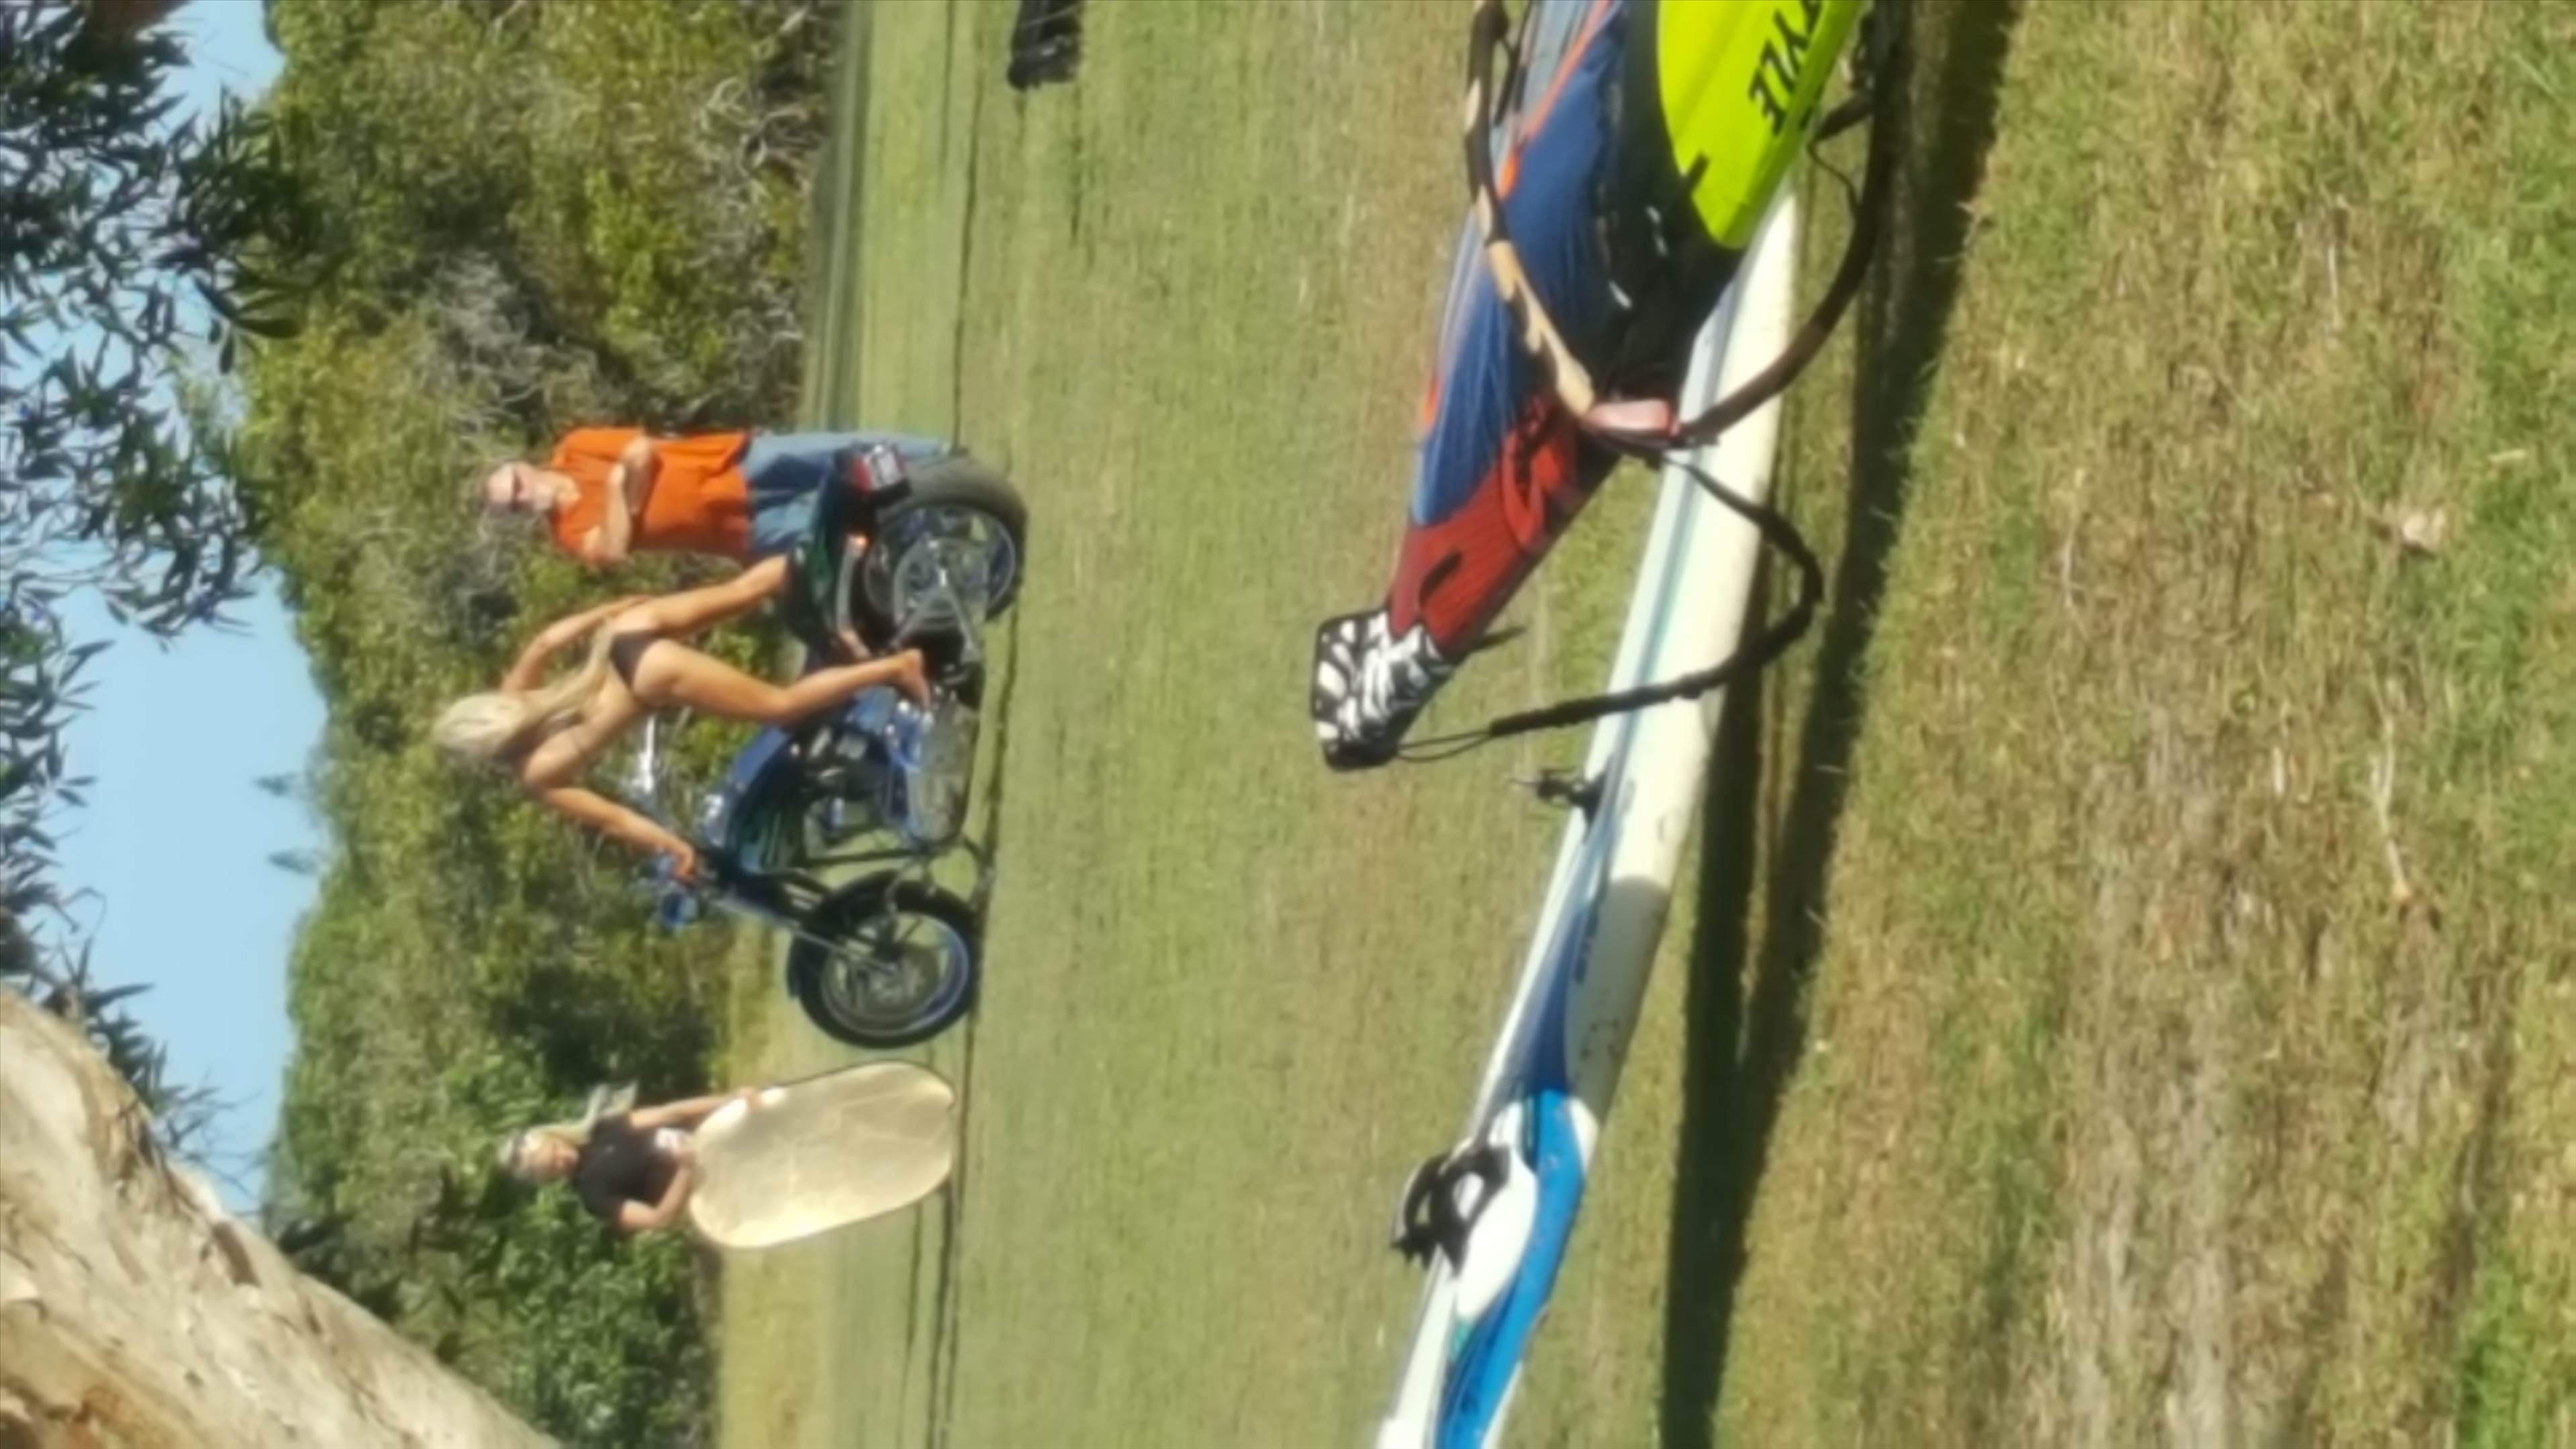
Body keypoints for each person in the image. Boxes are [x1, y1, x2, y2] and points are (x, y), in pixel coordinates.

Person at [429, 555, 927, 874]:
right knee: (748, 589)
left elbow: (615, 819)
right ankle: (855, 553)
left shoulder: (537, 776)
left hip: (648, 677)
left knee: (782, 706)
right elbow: (545, 641)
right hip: (625, 632)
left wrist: (673, 847)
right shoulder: (514, 695)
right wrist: (610, 610)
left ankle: (898, 667)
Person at [479, 426, 957, 569]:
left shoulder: (576, 447)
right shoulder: (568, 533)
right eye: (514, 505)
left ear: (523, 465)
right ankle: (939, 520)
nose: (524, 497)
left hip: (730, 461)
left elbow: (640, 451)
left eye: (517, 486)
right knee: (846, 522)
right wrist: (618, 484)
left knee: (841, 455)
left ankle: (938, 460)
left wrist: (622, 504)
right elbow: (613, 550)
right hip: (738, 530)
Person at [498, 1084, 761, 1235]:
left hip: (717, 1138)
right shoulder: (593, 1196)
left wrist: (731, 1101)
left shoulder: (604, 1128)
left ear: (555, 1136)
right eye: (554, 1167)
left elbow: (672, 1113)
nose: (562, 1158)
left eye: (555, 1150)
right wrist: (685, 1170)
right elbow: (658, 1219)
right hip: (713, 1191)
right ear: (550, 1178)